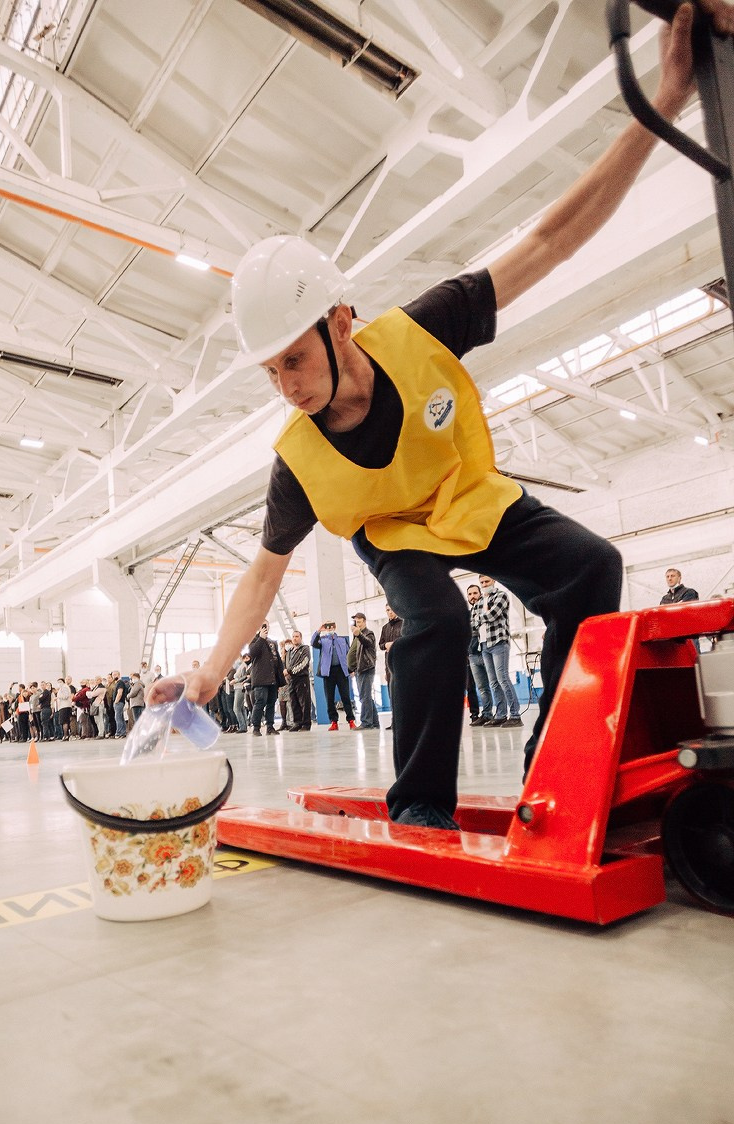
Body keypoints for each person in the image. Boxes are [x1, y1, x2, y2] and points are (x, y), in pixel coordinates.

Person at [149, 3, 731, 828]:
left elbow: (552, 242)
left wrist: (663, 102)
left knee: (591, 566)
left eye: (295, 358)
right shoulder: (297, 461)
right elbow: (263, 575)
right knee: (438, 618)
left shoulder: (424, 327)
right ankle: (421, 805)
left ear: (339, 321)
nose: (286, 384)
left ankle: (554, 774)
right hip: (394, 535)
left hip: (471, 497)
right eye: (270, 369)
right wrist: (209, 673)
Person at [475, 576, 523, 728]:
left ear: (493, 581)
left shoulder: (501, 596)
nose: (484, 585)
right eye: (482, 583)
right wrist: (480, 618)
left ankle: (515, 715)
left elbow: (493, 615)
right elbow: (473, 623)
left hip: (498, 642)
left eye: (487, 582)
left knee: (502, 678)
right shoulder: (479, 602)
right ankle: (501, 715)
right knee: (493, 682)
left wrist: (480, 617)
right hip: (483, 644)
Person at [311, 620, 356, 731]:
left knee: (345, 696)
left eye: (331, 626)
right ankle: (334, 722)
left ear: (335, 627)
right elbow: (313, 643)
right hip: (328, 672)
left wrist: (351, 669)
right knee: (329, 698)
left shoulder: (342, 640)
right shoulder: (322, 640)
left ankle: (351, 720)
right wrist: (319, 630)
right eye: (327, 626)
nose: (330, 628)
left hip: (341, 671)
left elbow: (349, 654)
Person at [248, 622, 284, 736]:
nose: (264, 627)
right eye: (262, 625)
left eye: (266, 625)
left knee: (271, 703)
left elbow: (277, 659)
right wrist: (261, 638)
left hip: (273, 678)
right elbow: (252, 653)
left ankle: (270, 726)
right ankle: (256, 728)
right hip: (261, 678)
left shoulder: (273, 642)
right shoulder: (254, 641)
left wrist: (280, 678)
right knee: (260, 702)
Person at [466, 584, 493, 726]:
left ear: (480, 594)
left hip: (488, 650)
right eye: (470, 594)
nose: (473, 596)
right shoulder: (467, 614)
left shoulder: (486, 609)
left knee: (496, 683)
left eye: (475, 593)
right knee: (475, 687)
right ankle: (479, 714)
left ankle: (502, 714)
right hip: (472, 654)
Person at [349, 612, 379, 729]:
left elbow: (368, 642)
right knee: (366, 697)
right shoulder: (356, 635)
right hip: (359, 669)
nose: (358, 624)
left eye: (360, 622)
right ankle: (375, 722)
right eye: (356, 622)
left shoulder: (368, 633)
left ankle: (366, 722)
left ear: (365, 622)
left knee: (365, 696)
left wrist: (359, 634)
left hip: (366, 668)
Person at [284, 630, 312, 731]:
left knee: (304, 701)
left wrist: (290, 671)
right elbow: (286, 665)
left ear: (300, 638)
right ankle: (297, 722)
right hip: (291, 680)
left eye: (297, 636)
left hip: (301, 678)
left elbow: (304, 662)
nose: (295, 638)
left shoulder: (305, 649)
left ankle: (306, 724)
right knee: (293, 702)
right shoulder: (290, 652)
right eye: (293, 636)